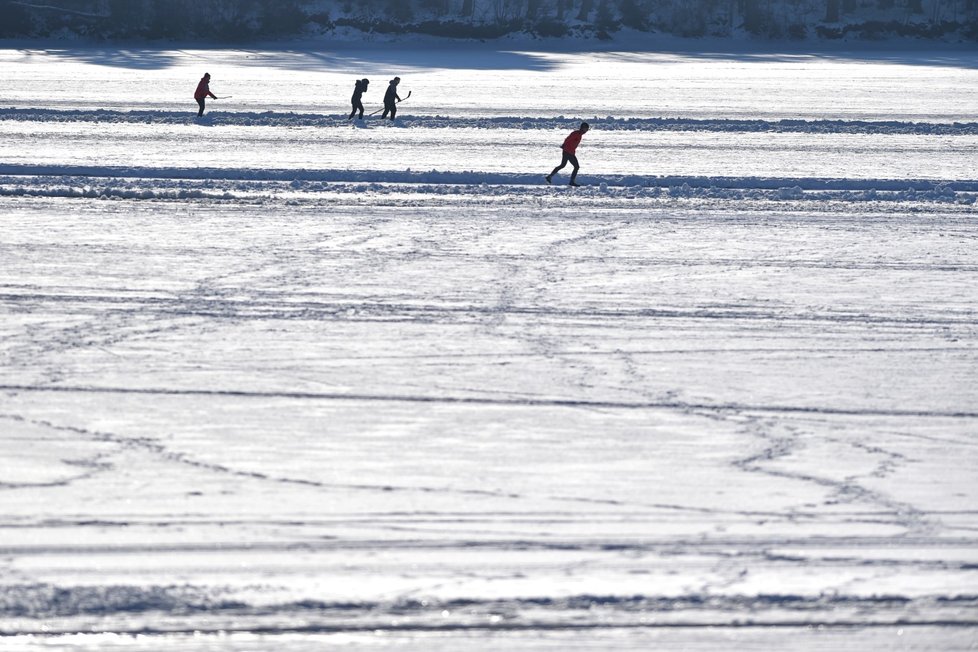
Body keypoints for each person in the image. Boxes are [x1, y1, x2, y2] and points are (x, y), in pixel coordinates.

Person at [546, 122, 590, 186]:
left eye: (587, 129)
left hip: (569, 151)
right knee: (576, 167)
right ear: (582, 128)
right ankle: (571, 182)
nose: (587, 130)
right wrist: (564, 145)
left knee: (562, 165)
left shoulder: (579, 134)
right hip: (568, 152)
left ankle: (549, 176)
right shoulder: (576, 133)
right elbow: (568, 139)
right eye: (586, 129)